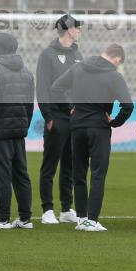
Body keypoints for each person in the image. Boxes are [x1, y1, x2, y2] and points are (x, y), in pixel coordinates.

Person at [51, 43, 134, 232]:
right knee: (98, 174)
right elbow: (127, 106)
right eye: (118, 63)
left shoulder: (78, 67)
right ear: (116, 58)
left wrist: (70, 108)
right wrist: (115, 122)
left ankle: (81, 218)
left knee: (79, 174)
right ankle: (92, 220)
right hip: (99, 127)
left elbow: (56, 88)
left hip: (77, 126)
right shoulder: (114, 76)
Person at [0, 32, 36, 230]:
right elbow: (30, 106)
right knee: (21, 173)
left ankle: (2, 218)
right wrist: (24, 125)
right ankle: (25, 218)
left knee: (2, 174)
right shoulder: (27, 72)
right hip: (18, 130)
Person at [36, 15, 83, 225]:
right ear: (68, 29)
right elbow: (43, 87)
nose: (80, 30)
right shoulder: (48, 54)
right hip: (56, 116)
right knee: (50, 164)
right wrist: (48, 116)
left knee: (70, 164)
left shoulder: (77, 54)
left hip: (74, 117)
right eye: (77, 27)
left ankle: (66, 208)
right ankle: (47, 209)